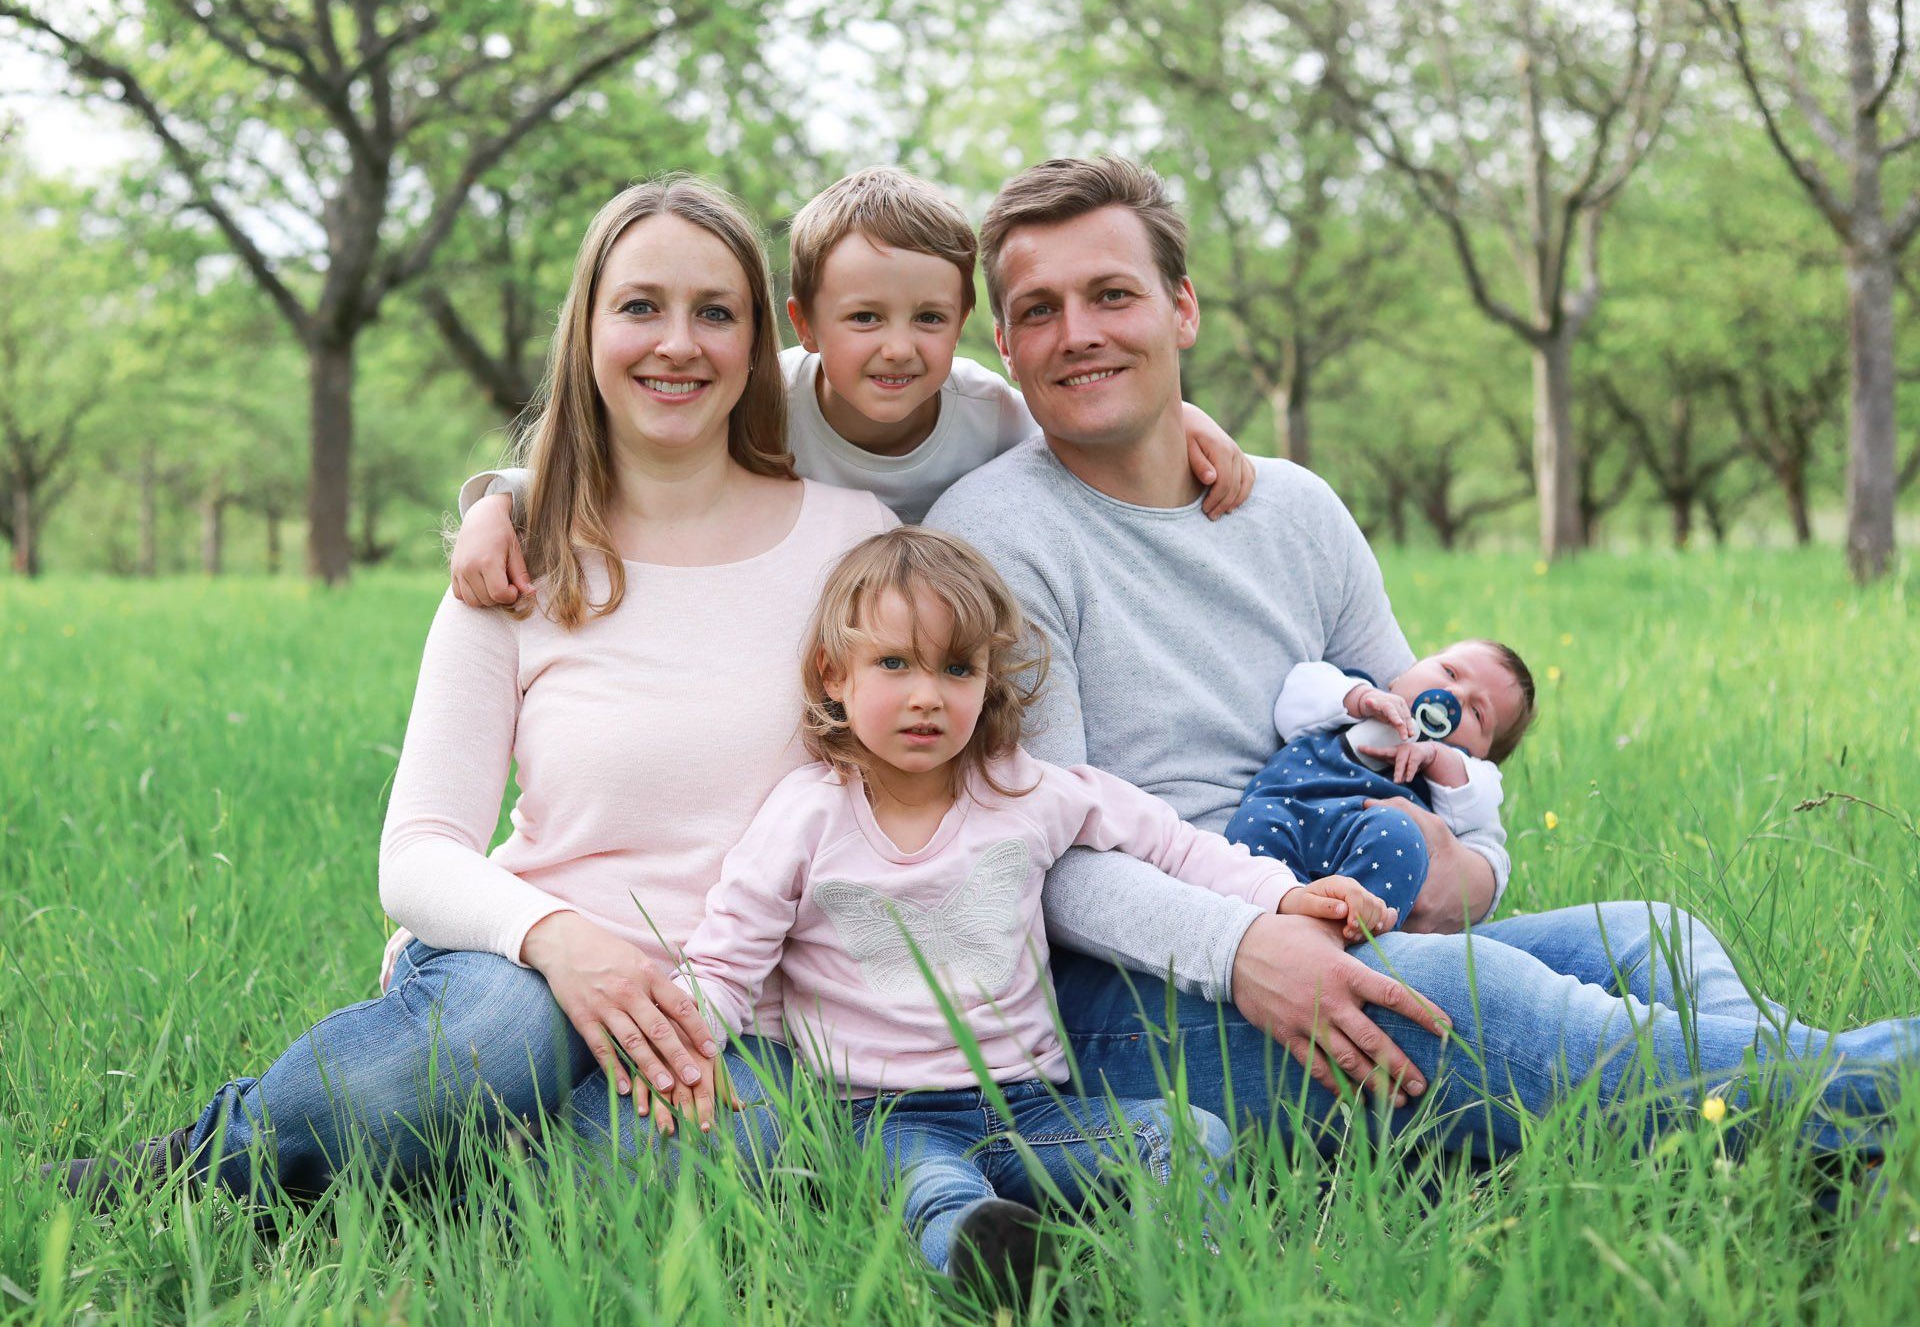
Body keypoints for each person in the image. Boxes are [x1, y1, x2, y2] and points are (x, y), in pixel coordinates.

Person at [923, 154, 1916, 1152]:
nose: (1079, 332)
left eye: (1112, 294)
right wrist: (1244, 945)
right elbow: (1043, 856)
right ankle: (1872, 1092)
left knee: (1650, 935)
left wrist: (1470, 873)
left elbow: (1428, 750)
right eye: (1040, 310)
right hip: (1135, 988)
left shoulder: (1296, 509)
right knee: (1469, 997)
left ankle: (1810, 1137)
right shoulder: (996, 538)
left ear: (1181, 308)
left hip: (1347, 920)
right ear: (1004, 345)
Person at [47, 176, 893, 1207]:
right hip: (525, 975)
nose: (678, 343)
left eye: (715, 312)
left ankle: (439, 1187)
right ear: (587, 331)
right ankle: (208, 1160)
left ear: (759, 341)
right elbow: (418, 850)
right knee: (488, 1041)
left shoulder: (852, 541)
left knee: (714, 1150)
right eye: (640, 306)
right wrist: (560, 940)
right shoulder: (518, 560)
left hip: (738, 1012)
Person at [672, 527, 1365, 1289]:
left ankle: (1198, 1276)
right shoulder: (808, 815)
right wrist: (680, 1043)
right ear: (834, 674)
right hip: (884, 1117)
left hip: (1033, 1108)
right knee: (938, 1193)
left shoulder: (1022, 789)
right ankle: (998, 1266)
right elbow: (727, 961)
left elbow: (1169, 841)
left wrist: (1280, 892)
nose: (927, 695)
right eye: (894, 663)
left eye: (957, 668)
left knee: (1186, 1132)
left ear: (987, 681)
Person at [448, 167, 1252, 606]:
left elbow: (1089, 428)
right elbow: (630, 462)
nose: (897, 348)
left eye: (928, 318)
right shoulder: (764, 400)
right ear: (804, 324)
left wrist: (1180, 416)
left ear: (964, 321)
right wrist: (498, 505)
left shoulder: (992, 415)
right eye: (864, 318)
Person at [1226, 640, 1537, 931]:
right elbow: (1294, 698)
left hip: (1367, 842)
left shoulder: (1461, 775)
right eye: (1450, 672)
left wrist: (1439, 758)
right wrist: (1358, 698)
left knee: (1399, 837)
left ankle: (1346, 930)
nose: (1455, 695)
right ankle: (1280, 921)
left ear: (1482, 753)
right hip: (1289, 809)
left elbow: (1481, 805)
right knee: (1256, 822)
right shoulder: (1352, 698)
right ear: (1403, 675)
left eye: (1478, 713)